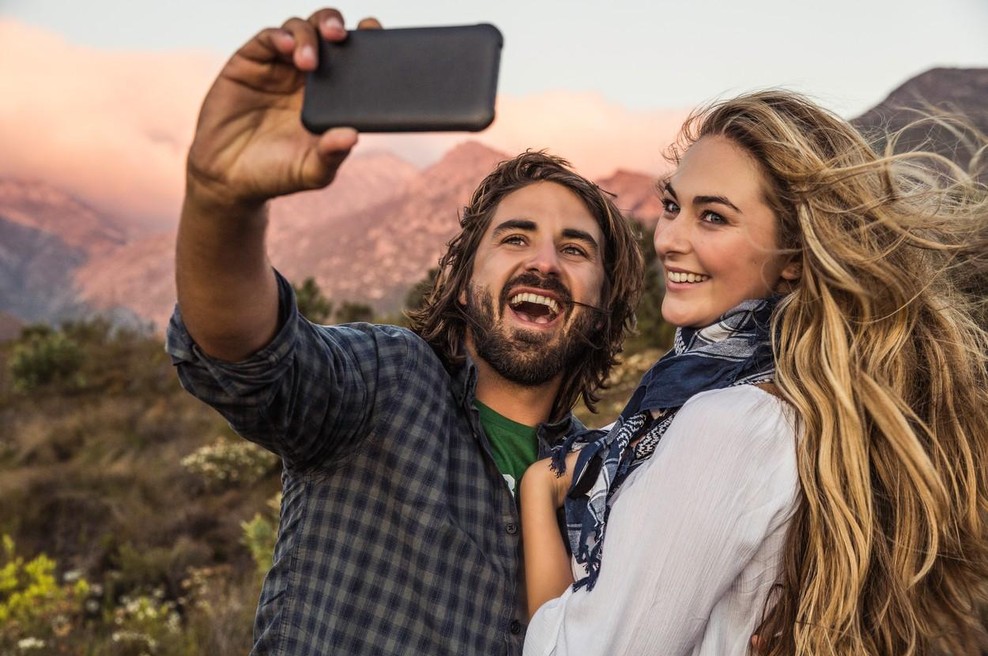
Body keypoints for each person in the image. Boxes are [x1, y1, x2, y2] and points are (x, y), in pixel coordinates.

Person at [164, 8, 645, 656]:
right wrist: (221, 199)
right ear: (463, 275)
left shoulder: (609, 481)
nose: (545, 261)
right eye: (515, 236)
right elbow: (246, 353)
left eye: (576, 248)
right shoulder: (383, 382)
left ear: (607, 300)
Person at [521, 90, 988, 655]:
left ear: (793, 257)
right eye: (672, 206)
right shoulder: (806, 407)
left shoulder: (732, 423)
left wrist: (535, 490)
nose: (668, 239)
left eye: (713, 217)